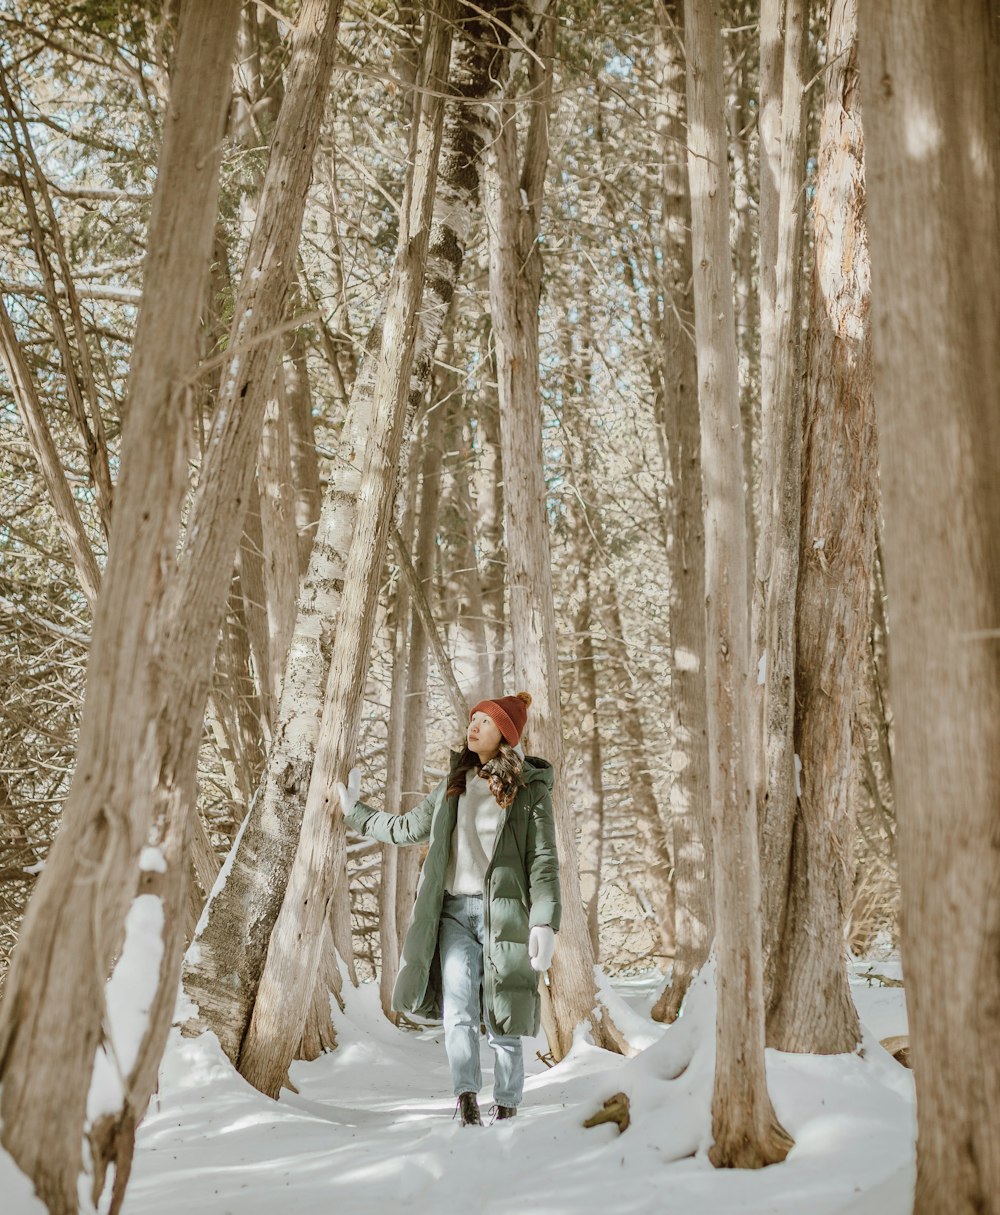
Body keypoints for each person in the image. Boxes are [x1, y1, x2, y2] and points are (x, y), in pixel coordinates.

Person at [334, 691, 560, 1127]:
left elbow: (544, 860)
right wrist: (354, 812)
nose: (473, 726)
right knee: (458, 1010)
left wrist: (546, 921)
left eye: (485, 722)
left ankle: (508, 1102)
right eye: (472, 719)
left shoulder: (530, 792)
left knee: (505, 1013)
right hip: (455, 912)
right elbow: (405, 828)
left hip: (505, 916)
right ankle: (467, 1097)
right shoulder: (453, 784)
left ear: (506, 736)